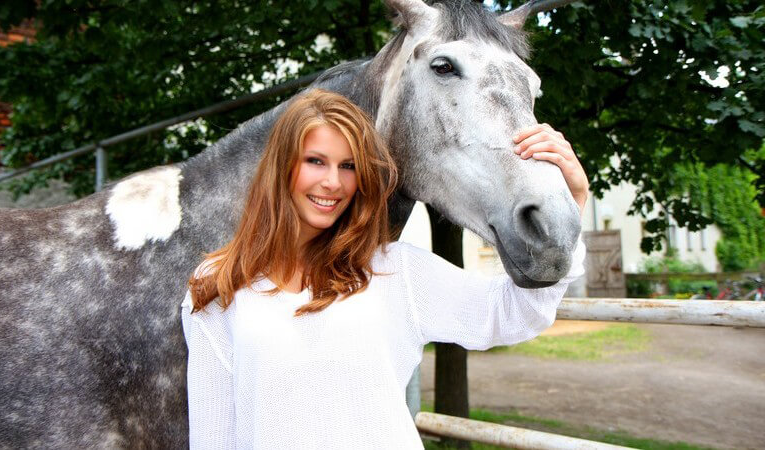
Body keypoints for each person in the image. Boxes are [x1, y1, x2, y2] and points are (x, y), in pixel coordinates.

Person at [181, 89, 588, 449]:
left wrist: (572, 204)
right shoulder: (219, 284)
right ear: (281, 167)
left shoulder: (395, 270)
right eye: (315, 161)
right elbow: (214, 436)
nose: (332, 182)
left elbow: (512, 314)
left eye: (349, 166)